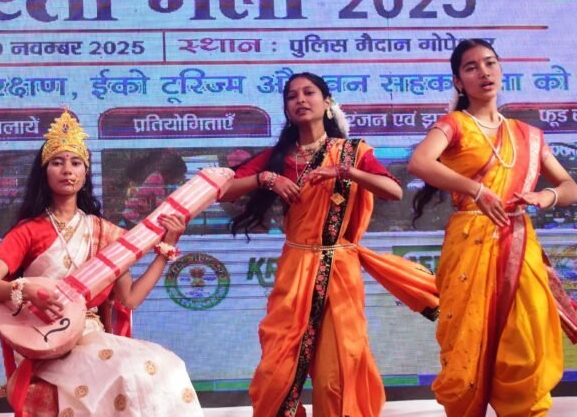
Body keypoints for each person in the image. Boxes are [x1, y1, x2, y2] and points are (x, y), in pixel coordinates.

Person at [220, 72, 439, 416]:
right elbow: (223, 190)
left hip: (340, 271)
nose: (300, 100)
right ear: (286, 108)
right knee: (277, 372)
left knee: (336, 374)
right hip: (295, 270)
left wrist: (345, 172)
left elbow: (393, 190)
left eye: (309, 93)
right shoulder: (278, 157)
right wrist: (265, 178)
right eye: (292, 96)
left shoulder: (351, 152)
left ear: (327, 103)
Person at [0, 111, 203, 416]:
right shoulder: (28, 231)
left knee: (166, 367)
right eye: (57, 162)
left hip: (91, 336)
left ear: (85, 173)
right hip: (43, 340)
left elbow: (129, 299)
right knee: (122, 375)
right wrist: (28, 291)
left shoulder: (105, 233)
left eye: (76, 163)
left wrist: (165, 250)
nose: (67, 170)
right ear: (44, 172)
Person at [408, 39, 577, 416]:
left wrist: (545, 196)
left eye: (490, 63)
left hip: (519, 242)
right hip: (470, 244)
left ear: (500, 70)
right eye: (471, 67)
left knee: (525, 340)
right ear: (458, 81)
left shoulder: (527, 134)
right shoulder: (454, 125)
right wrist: (476, 190)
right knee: (467, 342)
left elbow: (570, 186)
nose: (483, 72)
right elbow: (420, 162)